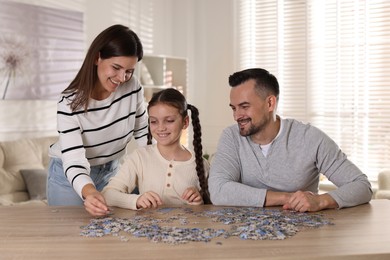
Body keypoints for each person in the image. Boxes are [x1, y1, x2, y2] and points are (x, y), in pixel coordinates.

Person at [208, 68, 372, 212]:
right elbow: (219, 190)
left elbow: (361, 186)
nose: (237, 116)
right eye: (234, 108)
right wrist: (287, 198)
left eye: (244, 107)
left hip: (302, 238)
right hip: (245, 238)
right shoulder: (231, 137)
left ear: (270, 103)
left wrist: (321, 200)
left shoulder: (310, 138)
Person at [47, 24, 149, 216]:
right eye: (116, 68)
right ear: (97, 58)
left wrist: (152, 171)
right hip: (69, 176)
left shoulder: (133, 87)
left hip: (114, 171)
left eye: (129, 71)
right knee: (70, 241)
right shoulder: (69, 103)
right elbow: (74, 159)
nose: (122, 78)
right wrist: (89, 191)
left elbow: (143, 132)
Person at [102, 88, 210, 210]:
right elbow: (108, 194)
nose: (161, 128)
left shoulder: (202, 165)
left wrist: (198, 203)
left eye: (169, 121)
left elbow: (209, 209)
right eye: (154, 121)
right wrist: (136, 200)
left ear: (185, 122)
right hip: (148, 228)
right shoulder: (140, 157)